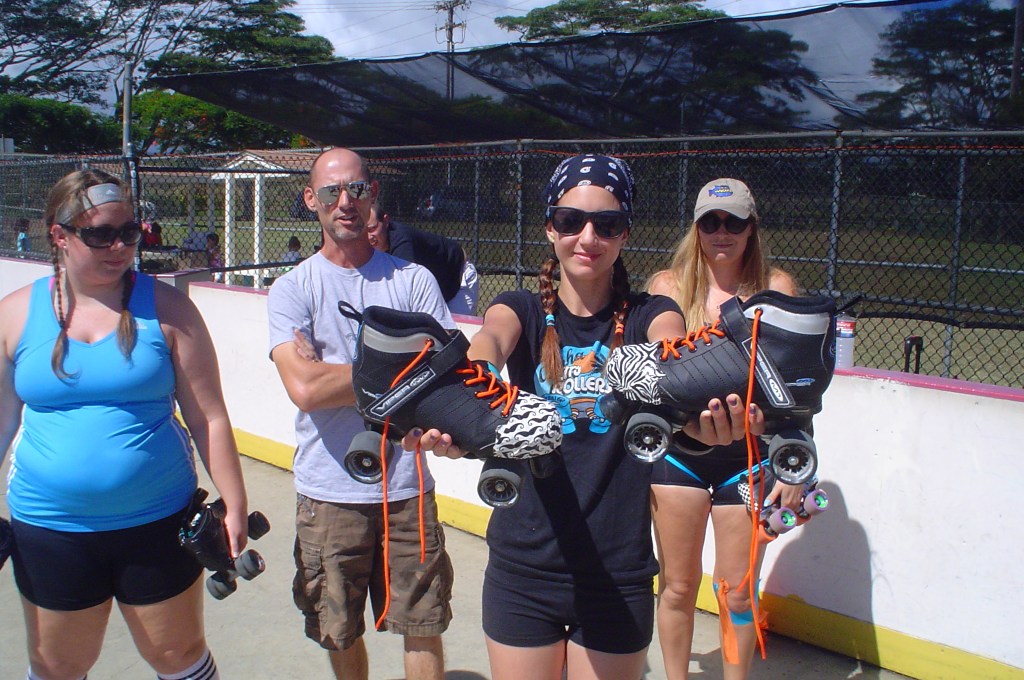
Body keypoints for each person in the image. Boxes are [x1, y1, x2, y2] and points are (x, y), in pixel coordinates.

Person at [423, 155, 761, 680]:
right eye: (570, 220)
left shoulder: (652, 313)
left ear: (625, 233)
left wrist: (700, 420)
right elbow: (490, 340)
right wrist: (466, 396)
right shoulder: (521, 308)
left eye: (606, 224)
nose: (587, 237)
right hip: (523, 570)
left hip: (618, 574)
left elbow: (672, 354)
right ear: (549, 228)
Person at [0, 169, 250, 680]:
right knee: (58, 665)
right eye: (101, 235)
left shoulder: (169, 310)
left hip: (156, 521)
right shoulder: (15, 315)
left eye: (129, 232)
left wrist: (236, 503)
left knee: (177, 654)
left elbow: (208, 416)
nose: (119, 247)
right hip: (50, 527)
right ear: (59, 235)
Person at [267, 148, 454, 680]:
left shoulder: (413, 280)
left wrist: (336, 374)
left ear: (372, 194)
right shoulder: (293, 288)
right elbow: (304, 389)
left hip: (406, 488)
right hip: (328, 492)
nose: (345, 202)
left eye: (356, 189)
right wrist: (403, 366)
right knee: (338, 628)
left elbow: (444, 370)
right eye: (331, 192)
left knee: (422, 622)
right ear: (311, 200)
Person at [647, 177, 802, 680]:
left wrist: (794, 463)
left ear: (751, 227)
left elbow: (797, 388)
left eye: (733, 222)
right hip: (680, 457)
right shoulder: (668, 287)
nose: (721, 232)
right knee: (677, 586)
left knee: (737, 591)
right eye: (710, 222)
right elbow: (651, 380)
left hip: (747, 457)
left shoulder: (775, 288)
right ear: (695, 228)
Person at [366, 203, 480, 316]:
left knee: (455, 326)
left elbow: (403, 290)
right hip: (437, 287)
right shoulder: (366, 245)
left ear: (386, 221)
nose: (369, 237)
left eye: (372, 228)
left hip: (458, 277)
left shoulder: (402, 243)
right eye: (364, 230)